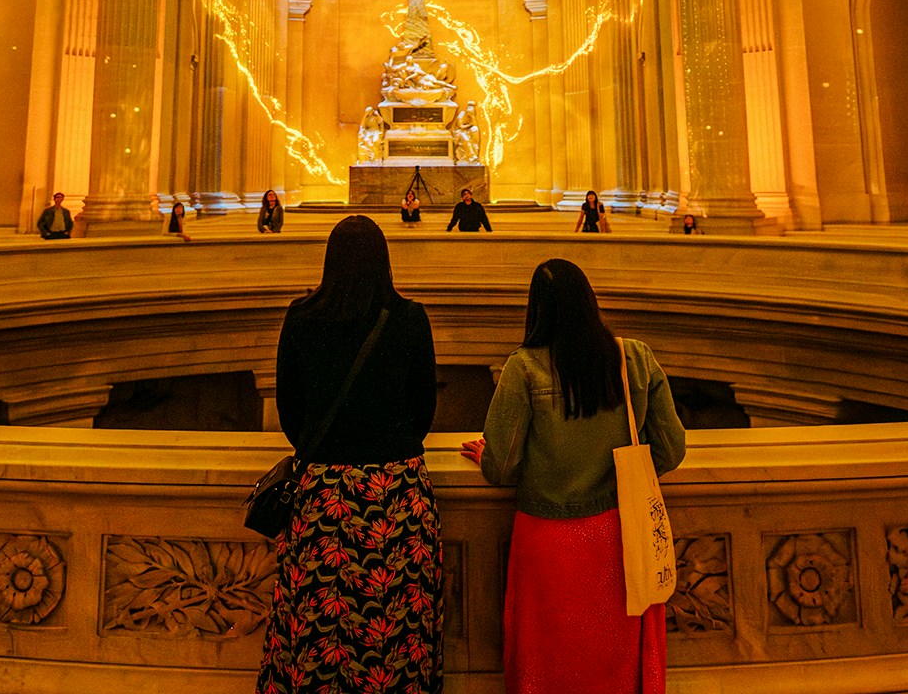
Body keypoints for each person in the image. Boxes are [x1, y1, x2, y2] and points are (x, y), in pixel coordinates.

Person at [461, 258, 685, 694]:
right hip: (618, 535)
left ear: (536, 309)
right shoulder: (634, 358)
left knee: (547, 665)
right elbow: (672, 449)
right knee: (616, 664)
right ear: (589, 301)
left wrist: (490, 455)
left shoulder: (523, 368)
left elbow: (501, 468)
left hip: (547, 544)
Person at [256, 216, 442, 694]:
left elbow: (291, 412)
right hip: (397, 499)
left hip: (324, 502)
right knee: (398, 635)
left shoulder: (301, 317)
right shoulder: (410, 318)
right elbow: (423, 409)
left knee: (318, 633)